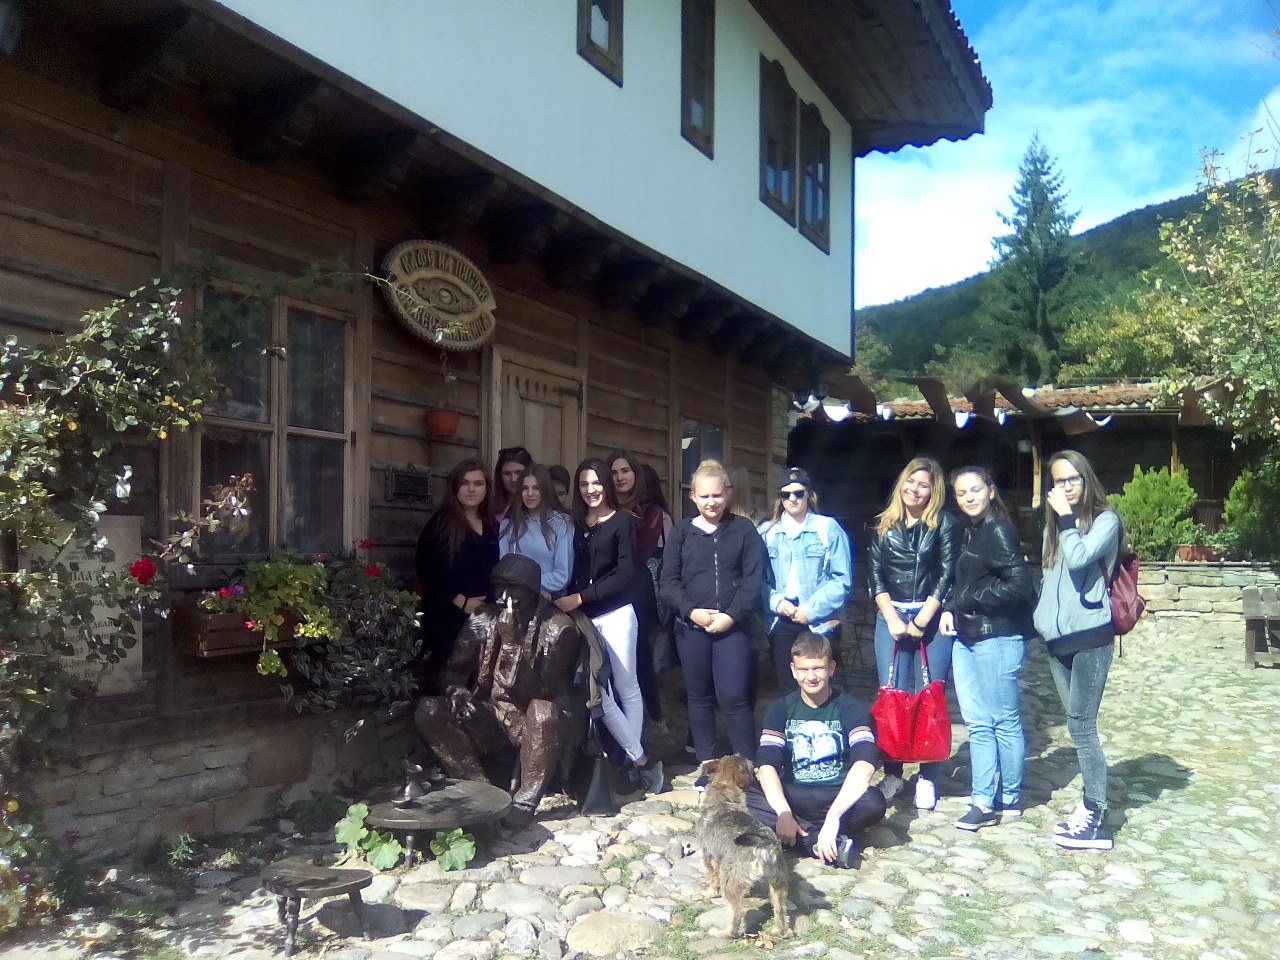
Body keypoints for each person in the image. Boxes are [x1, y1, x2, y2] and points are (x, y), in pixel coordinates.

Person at [413, 554, 582, 830]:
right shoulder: (482, 619)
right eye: (498, 587)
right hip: (490, 713)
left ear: (531, 591)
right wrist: (457, 692)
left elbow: (540, 691)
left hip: (530, 721)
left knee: (544, 713)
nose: (503, 597)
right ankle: (481, 790)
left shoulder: (559, 629)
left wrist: (513, 644)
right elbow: (453, 670)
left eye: (513, 589)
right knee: (429, 710)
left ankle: (524, 802)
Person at [555, 458, 664, 793]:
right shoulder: (574, 524)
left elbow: (624, 573)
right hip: (584, 619)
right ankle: (640, 759)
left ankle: (630, 763)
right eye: (584, 484)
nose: (591, 490)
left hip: (616, 614)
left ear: (606, 484)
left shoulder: (622, 521)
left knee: (627, 687)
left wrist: (580, 597)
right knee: (599, 692)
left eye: (596, 482)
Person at [1033, 450, 1121, 850]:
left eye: (1073, 479)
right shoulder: (1054, 525)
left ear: (1086, 480)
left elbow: (1079, 557)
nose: (1066, 487)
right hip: (1057, 641)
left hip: (1090, 637)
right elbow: (1050, 574)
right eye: (1059, 481)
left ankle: (1095, 814)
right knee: (1076, 725)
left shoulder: (1106, 520)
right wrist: (1040, 618)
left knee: (1082, 727)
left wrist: (1067, 520)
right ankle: (1091, 804)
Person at [940, 466, 1035, 831]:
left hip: (997, 637)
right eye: (962, 492)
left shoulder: (997, 530)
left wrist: (970, 600)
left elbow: (1020, 585)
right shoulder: (971, 531)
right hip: (966, 638)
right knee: (978, 724)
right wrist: (951, 607)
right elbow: (962, 582)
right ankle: (982, 799)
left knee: (1003, 721)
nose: (969, 497)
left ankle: (1008, 797)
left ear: (990, 491)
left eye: (975, 490)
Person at [745, 631, 887, 867]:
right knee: (744, 795)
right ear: (793, 670)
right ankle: (815, 839)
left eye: (818, 668)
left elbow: (865, 763)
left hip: (835, 796)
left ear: (831, 668)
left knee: (874, 802)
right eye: (804, 669)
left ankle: (803, 834)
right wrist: (783, 812)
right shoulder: (781, 708)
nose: (811, 677)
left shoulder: (851, 708)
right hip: (794, 795)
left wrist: (833, 817)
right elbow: (767, 764)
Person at [868, 456, 958, 811]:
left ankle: (927, 776)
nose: (915, 489)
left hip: (930, 618)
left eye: (924, 485)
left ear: (933, 492)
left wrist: (923, 618)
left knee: (929, 695)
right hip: (891, 616)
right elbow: (875, 576)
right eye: (911, 481)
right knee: (893, 694)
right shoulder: (883, 525)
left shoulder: (944, 524)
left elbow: (947, 572)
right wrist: (892, 617)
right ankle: (893, 773)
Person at [660, 459, 766, 761]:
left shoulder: (744, 530)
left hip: (732, 626)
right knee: (699, 696)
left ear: (728, 494)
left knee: (734, 695)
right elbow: (668, 581)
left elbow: (752, 580)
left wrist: (731, 615)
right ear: (693, 496)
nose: (711, 502)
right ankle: (706, 762)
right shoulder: (682, 532)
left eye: (717, 495)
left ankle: (746, 763)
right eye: (704, 496)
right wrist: (691, 611)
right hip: (692, 627)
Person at [759, 466, 852, 697]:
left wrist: (810, 610)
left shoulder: (828, 528)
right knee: (788, 690)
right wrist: (776, 602)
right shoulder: (766, 532)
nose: (792, 499)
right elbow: (758, 580)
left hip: (819, 619)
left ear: (808, 494)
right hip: (782, 619)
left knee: (818, 686)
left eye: (798, 493)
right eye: (786, 494)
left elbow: (842, 580)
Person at [414, 457, 499, 683]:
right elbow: (428, 571)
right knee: (455, 683)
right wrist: (461, 601)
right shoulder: (440, 525)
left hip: (485, 619)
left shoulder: (493, 526)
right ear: (455, 487)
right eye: (465, 483)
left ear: (486, 489)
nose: (471, 489)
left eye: (478, 483)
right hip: (449, 620)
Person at [610, 450, 672, 725]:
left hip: (637, 588)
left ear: (636, 475)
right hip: (606, 588)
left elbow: (639, 553)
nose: (619, 477)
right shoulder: (603, 505)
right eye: (614, 472)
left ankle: (651, 717)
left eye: (625, 471)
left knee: (637, 653)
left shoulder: (651, 512)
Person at [499, 464, 573, 597]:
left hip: (550, 601)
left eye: (536, 488)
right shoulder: (508, 525)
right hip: (515, 599)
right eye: (525, 488)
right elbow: (504, 570)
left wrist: (527, 584)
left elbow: (562, 575)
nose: (530, 493)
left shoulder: (562, 523)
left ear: (546, 489)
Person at [493, 446, 534, 522]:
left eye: (518, 472)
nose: (513, 479)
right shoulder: (492, 507)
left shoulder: (539, 506)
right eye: (507, 473)